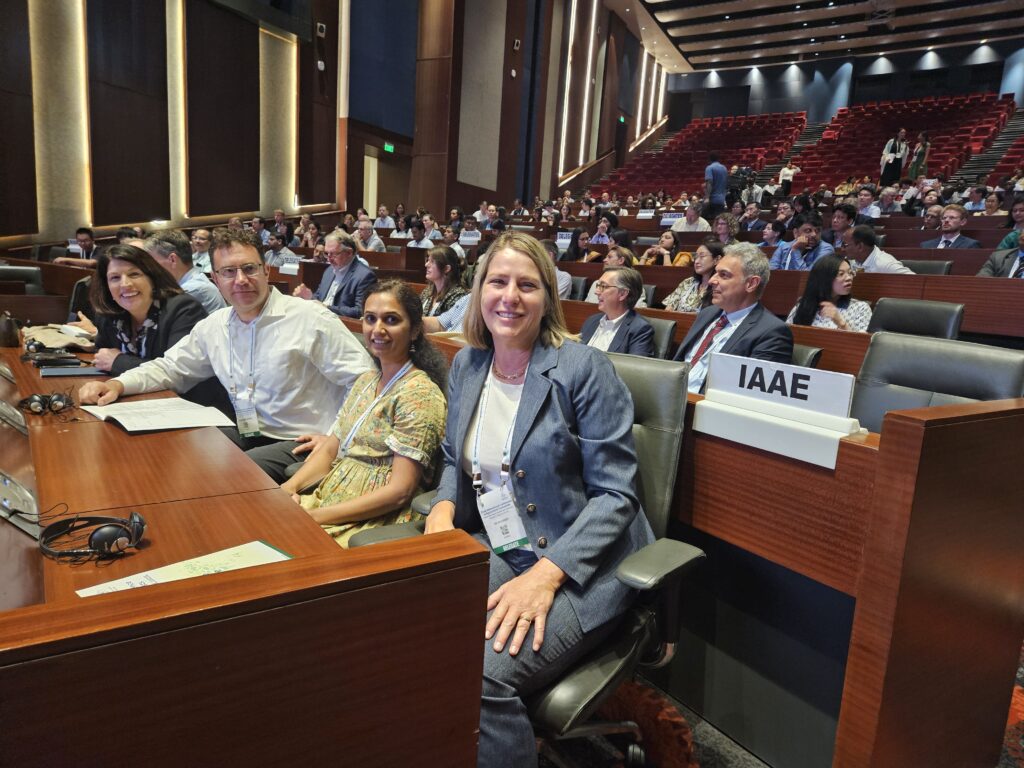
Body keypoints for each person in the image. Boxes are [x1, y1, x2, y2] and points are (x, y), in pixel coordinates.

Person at [423, 230, 654, 768]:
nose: (510, 296)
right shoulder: (468, 364)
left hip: (582, 565)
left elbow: (617, 496)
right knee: (416, 626)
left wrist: (546, 575)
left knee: (479, 672)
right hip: (504, 546)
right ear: (478, 291)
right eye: (498, 282)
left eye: (527, 285)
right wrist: (442, 506)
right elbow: (454, 459)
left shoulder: (584, 370)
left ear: (548, 297)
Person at [78, 228, 373, 481]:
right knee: (174, 452)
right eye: (228, 272)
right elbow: (171, 368)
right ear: (216, 279)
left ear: (266, 270)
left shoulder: (310, 319)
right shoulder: (215, 326)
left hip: (302, 438)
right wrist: (117, 384)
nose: (240, 280)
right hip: (248, 429)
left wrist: (335, 437)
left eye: (249, 268)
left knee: (232, 472)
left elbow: (366, 381)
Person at [280, 281, 447, 547]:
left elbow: (399, 492)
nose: (377, 329)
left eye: (391, 320)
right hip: (329, 497)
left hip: (374, 518)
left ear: (415, 329)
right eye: (370, 319)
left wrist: (313, 516)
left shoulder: (420, 394)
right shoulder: (366, 380)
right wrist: (289, 488)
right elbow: (329, 450)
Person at [673, 242, 793, 392]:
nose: (711, 280)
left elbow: (752, 396)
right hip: (670, 397)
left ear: (751, 283)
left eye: (723, 275)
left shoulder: (772, 333)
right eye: (715, 273)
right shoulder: (707, 314)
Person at [83, 244, 209, 375]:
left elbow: (178, 371)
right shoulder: (110, 315)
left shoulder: (184, 309)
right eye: (115, 278)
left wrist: (119, 362)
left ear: (152, 278)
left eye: (134, 274)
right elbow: (102, 357)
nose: (125, 284)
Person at [292, 232, 377, 317]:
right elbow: (319, 297)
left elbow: (360, 311)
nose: (329, 259)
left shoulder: (365, 276)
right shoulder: (329, 271)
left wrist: (326, 308)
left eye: (333, 254)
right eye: (326, 253)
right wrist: (306, 297)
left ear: (349, 253)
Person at [145, 230, 227, 314]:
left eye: (153, 262)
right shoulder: (191, 282)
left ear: (172, 259)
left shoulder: (192, 289)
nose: (150, 268)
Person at [579, 267, 654, 357]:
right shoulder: (591, 321)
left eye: (603, 286)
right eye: (598, 286)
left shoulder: (640, 329)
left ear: (622, 294)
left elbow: (634, 369)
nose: (596, 292)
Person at [786, 255, 873, 332]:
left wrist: (841, 324)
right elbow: (787, 334)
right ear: (824, 279)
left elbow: (862, 346)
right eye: (841, 274)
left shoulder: (860, 308)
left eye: (850, 273)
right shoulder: (803, 305)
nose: (849, 278)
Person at [662, 241, 722, 313]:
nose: (696, 261)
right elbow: (668, 310)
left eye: (702, 256)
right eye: (696, 257)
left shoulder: (719, 286)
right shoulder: (688, 282)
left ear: (717, 260)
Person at [769, 212, 834, 270]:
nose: (814, 235)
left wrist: (796, 250)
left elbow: (806, 277)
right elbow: (771, 272)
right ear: (796, 233)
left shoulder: (826, 249)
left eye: (818, 231)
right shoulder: (784, 247)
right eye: (808, 231)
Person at [420, 245, 469, 318]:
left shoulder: (459, 296)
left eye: (432, 262)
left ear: (446, 268)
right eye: (427, 260)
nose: (426, 265)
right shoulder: (427, 291)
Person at [845, 225, 914, 274]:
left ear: (860, 247)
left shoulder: (886, 264)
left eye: (845, 245)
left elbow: (916, 281)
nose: (842, 249)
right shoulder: (851, 260)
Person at [704, 152, 728, 218]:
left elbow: (709, 182)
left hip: (713, 199)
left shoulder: (709, 168)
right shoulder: (724, 168)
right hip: (722, 199)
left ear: (709, 159)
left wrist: (707, 197)